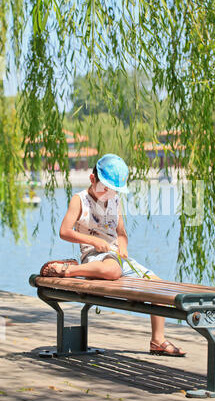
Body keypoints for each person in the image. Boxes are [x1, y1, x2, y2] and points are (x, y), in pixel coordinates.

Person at [40, 153, 185, 357]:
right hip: (94, 256)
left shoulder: (115, 201)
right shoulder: (79, 200)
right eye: (105, 189)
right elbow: (64, 231)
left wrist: (123, 246)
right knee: (112, 269)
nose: (109, 194)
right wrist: (94, 241)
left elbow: (121, 232)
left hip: (115, 257)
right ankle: (69, 270)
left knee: (156, 284)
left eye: (113, 190)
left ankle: (158, 340)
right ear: (92, 180)